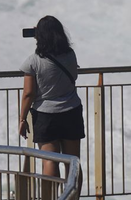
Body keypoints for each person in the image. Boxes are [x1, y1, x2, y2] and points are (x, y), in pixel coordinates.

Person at [18, 16, 84, 178]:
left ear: (39, 36)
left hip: (45, 115)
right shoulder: (70, 55)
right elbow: (73, 77)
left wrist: (22, 119)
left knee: (49, 161)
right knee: (73, 162)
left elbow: (29, 93)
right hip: (71, 110)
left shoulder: (33, 62)